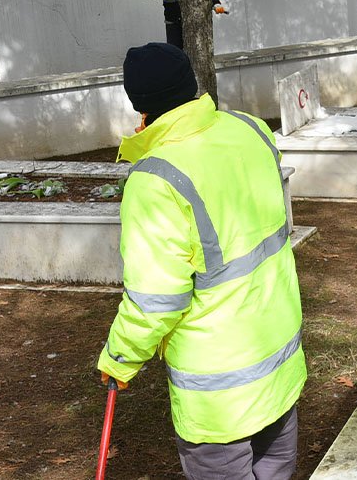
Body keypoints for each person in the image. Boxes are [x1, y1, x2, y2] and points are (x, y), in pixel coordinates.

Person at [97, 42, 306, 480]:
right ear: (192, 84)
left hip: (219, 386)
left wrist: (120, 358)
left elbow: (158, 297)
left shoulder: (154, 180)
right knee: (277, 469)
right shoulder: (251, 128)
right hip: (278, 352)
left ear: (140, 106)